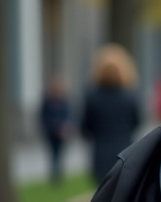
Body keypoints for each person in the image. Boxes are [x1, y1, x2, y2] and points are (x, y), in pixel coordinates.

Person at [81, 45, 141, 182]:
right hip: (125, 152)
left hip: (100, 154)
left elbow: (85, 128)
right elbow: (136, 122)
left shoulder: (92, 98)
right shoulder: (129, 97)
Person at [39, 76, 73, 184]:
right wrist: (55, 127)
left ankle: (58, 175)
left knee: (60, 154)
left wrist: (66, 127)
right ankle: (54, 176)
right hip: (52, 133)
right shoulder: (48, 101)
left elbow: (69, 116)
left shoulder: (64, 101)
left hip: (62, 133)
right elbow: (45, 117)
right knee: (53, 154)